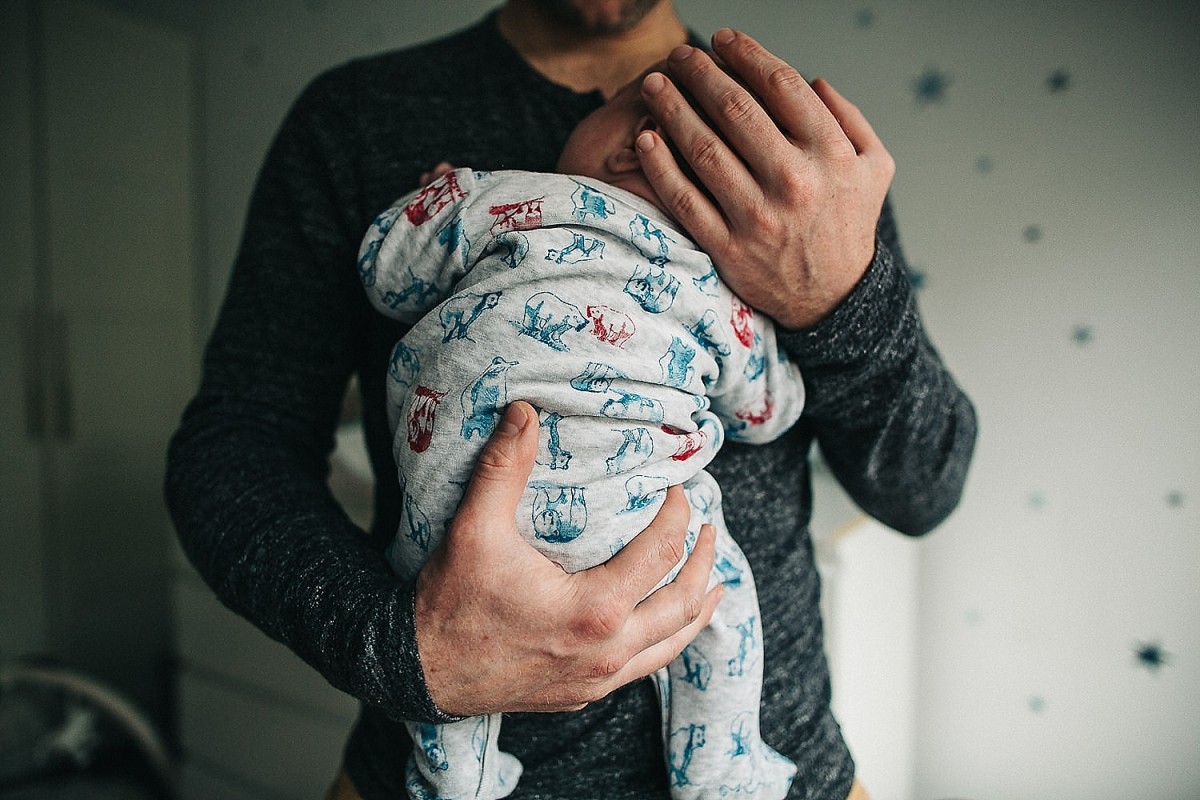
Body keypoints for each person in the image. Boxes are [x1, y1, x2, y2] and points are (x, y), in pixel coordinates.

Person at [164, 1, 977, 799]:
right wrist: (405, 651)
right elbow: (237, 443)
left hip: (788, 765)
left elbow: (924, 487)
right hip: (410, 745)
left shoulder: (790, 151)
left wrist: (840, 297)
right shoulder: (356, 118)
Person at [361, 70, 811, 799]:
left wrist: (432, 204)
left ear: (633, 148)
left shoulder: (506, 198)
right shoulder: (710, 279)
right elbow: (766, 410)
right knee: (719, 595)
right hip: (635, 520)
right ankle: (721, 771)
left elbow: (385, 274)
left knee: (436, 622)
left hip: (456, 518)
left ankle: (456, 780)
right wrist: (779, 330)